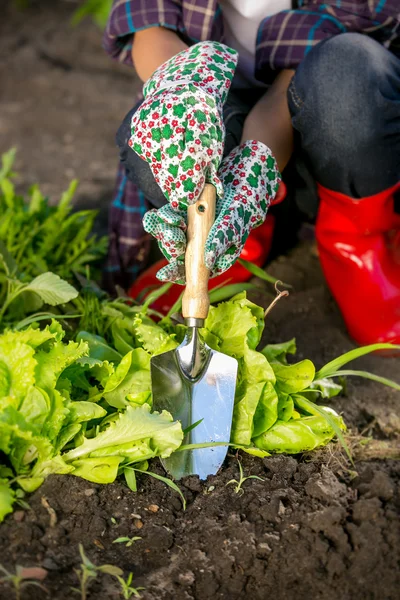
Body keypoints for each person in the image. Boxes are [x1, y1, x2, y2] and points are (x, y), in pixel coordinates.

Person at [103, 0, 400, 346]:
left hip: (334, 139)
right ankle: (228, 254)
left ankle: (357, 245)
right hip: (224, 111)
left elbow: (293, 86)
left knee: (345, 73)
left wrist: (253, 171)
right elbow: (150, 26)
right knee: (152, 136)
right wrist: (181, 95)